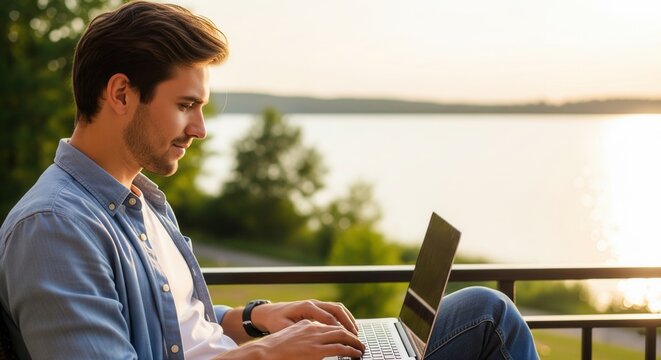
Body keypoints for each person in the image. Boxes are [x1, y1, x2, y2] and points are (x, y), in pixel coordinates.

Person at [0, 1, 539, 359]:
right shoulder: (54, 227)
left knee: (484, 310)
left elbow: (174, 325)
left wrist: (255, 320)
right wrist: (266, 355)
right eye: (186, 105)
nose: (201, 129)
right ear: (120, 94)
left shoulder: (141, 201)